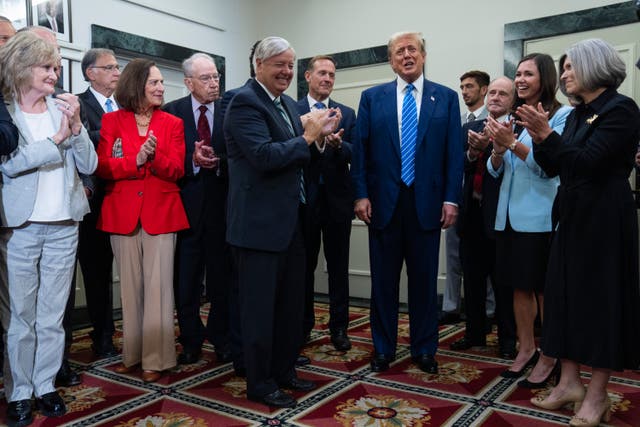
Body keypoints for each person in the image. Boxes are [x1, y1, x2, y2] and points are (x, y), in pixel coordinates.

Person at [525, 39, 640, 427]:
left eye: (571, 66)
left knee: (602, 303)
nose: (566, 74)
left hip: (605, 217)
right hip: (572, 216)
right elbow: (559, 165)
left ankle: (597, 394)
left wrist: (547, 135)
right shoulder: (576, 114)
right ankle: (570, 383)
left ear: (593, 67)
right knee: (563, 298)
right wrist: (541, 138)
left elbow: (589, 163)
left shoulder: (621, 110)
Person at [224, 36, 339, 408]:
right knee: (259, 313)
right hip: (257, 228)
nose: (287, 72)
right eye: (280, 64)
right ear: (259, 64)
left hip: (291, 223)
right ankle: (260, 383)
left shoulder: (287, 104)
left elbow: (298, 156)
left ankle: (284, 370)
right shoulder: (244, 101)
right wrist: (307, 136)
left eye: (291, 65)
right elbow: (263, 157)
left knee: (290, 306)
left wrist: (318, 140)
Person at [0, 31, 97, 426]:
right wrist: (55, 140)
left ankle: (45, 386)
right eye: (46, 67)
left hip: (64, 224)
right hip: (20, 227)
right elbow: (7, 165)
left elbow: (89, 164)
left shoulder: (63, 109)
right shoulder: (6, 112)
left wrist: (74, 128)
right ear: (22, 68)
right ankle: (19, 391)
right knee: (20, 317)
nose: (55, 74)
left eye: (56, 68)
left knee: (53, 315)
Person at [351, 31, 463, 374]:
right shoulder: (372, 98)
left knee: (424, 283)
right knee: (383, 284)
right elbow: (361, 151)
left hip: (428, 205)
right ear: (391, 61)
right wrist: (361, 194)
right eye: (399, 52)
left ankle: (424, 348)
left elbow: (453, 154)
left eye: (412, 49)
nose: (406, 55)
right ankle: (383, 349)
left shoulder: (445, 98)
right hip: (384, 205)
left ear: (424, 55)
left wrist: (451, 199)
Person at [96, 58, 188, 383]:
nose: (161, 88)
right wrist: (134, 161)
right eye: (155, 83)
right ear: (137, 85)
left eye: (162, 83)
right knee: (130, 290)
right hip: (121, 215)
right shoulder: (111, 122)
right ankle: (132, 355)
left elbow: (178, 169)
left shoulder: (173, 124)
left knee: (159, 288)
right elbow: (103, 167)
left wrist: (154, 156)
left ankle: (157, 359)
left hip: (161, 214)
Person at [484, 53, 572, 387]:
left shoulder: (561, 115)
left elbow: (548, 168)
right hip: (508, 215)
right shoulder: (516, 117)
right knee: (518, 289)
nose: (519, 80)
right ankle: (526, 349)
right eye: (517, 74)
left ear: (545, 78)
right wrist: (495, 149)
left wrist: (512, 146)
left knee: (544, 291)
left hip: (540, 217)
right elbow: (496, 171)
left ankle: (552, 354)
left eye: (528, 75)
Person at [164, 52, 232, 365]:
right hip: (185, 211)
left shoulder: (232, 110)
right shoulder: (171, 113)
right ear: (189, 83)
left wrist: (220, 164)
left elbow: (243, 156)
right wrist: (191, 161)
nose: (214, 83)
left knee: (222, 281)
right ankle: (190, 339)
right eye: (205, 78)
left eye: (216, 76)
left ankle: (221, 338)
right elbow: (164, 163)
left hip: (223, 211)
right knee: (186, 281)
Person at [450, 77, 516, 358]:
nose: (496, 97)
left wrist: (493, 147)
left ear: (513, 100)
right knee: (473, 280)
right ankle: (474, 333)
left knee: (504, 283)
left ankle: (507, 340)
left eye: (504, 94)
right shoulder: (470, 128)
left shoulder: (518, 130)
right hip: (472, 215)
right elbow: (458, 167)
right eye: (493, 93)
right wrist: (473, 151)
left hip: (503, 217)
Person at [297, 55, 356, 351]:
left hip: (337, 203)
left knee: (338, 268)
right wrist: (317, 140)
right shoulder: (292, 110)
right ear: (308, 76)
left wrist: (338, 145)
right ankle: (302, 326)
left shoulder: (346, 112)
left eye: (332, 74)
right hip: (303, 202)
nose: (327, 79)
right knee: (302, 268)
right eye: (322, 73)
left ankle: (339, 328)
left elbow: (355, 154)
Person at [73, 48, 121, 359]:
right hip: (94, 204)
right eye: (110, 67)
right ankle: (101, 335)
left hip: (127, 199)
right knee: (96, 272)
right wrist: (112, 134)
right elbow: (82, 140)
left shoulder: (127, 104)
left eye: (118, 66)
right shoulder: (77, 104)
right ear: (91, 73)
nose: (117, 72)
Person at [441, 69, 493, 325]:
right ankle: (451, 306)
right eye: (462, 87)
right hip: (456, 197)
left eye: (469, 86)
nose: (464, 91)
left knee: (486, 261)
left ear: (484, 89)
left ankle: (490, 310)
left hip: (482, 200)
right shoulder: (458, 121)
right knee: (452, 255)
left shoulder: (494, 119)